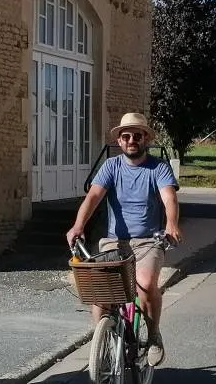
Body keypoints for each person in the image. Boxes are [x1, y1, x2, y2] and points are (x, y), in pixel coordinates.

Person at [64, 111, 181, 365]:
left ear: (145, 139)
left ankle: (153, 336)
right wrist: (78, 225)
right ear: (119, 141)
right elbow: (93, 197)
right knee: (101, 293)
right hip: (114, 240)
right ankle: (103, 342)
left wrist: (171, 223)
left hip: (149, 240)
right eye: (125, 136)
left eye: (136, 136)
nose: (131, 140)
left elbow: (169, 197)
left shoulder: (158, 168)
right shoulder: (111, 166)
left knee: (145, 282)